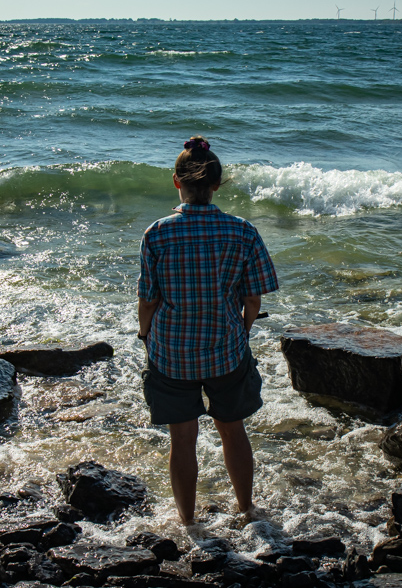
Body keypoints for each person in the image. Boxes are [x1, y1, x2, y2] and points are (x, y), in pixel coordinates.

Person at [137, 136, 279, 526]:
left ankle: (186, 522)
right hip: (226, 350)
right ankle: (247, 510)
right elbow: (253, 299)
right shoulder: (243, 231)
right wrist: (244, 330)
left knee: (181, 441)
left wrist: (145, 335)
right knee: (234, 432)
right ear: (217, 184)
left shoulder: (157, 233)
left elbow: (148, 301)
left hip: (171, 354)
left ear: (175, 182)